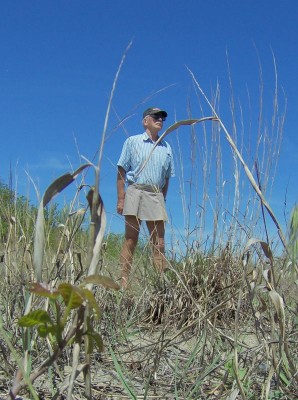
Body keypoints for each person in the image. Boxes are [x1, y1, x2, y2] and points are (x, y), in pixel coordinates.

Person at [117, 107, 175, 288]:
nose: (160, 120)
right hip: (135, 190)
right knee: (131, 239)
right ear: (145, 121)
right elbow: (121, 170)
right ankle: (123, 282)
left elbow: (167, 178)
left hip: (156, 194)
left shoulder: (166, 147)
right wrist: (121, 198)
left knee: (159, 242)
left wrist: (161, 198)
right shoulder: (132, 142)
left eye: (162, 118)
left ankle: (161, 284)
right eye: (156, 117)